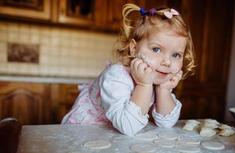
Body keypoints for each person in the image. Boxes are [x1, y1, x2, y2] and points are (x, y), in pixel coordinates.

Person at [62, 3, 196, 136]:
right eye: (156, 49)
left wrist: (164, 90)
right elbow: (128, 127)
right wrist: (144, 85)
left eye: (176, 55)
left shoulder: (156, 77)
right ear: (133, 48)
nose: (167, 62)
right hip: (82, 134)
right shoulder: (116, 76)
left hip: (112, 138)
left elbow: (166, 123)